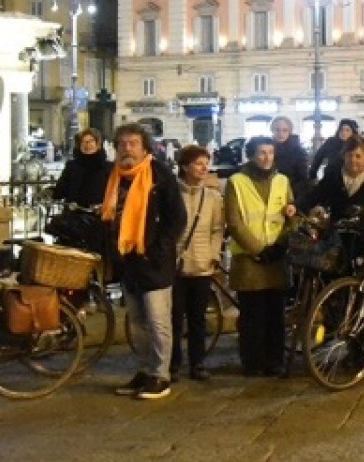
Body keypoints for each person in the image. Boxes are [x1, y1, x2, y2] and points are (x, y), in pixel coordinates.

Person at [101, 122, 189, 401]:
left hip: (154, 260)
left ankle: (161, 374)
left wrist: (160, 248)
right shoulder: (115, 177)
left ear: (144, 147)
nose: (128, 149)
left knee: (157, 319)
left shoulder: (158, 175)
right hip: (128, 260)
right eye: (123, 144)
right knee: (137, 320)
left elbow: (177, 218)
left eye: (133, 143)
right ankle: (145, 369)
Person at [224, 135, 296, 376]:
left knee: (275, 312)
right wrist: (257, 249)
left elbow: (290, 215)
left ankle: (275, 359)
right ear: (252, 155)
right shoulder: (237, 181)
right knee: (252, 313)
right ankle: (253, 361)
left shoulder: (282, 181)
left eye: (271, 153)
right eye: (262, 153)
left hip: (276, 256)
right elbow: (234, 222)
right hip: (249, 259)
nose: (267, 158)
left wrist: (281, 243)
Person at [171, 144, 226, 382]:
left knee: (198, 318)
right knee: (173, 317)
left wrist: (213, 255)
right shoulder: (172, 194)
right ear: (185, 166)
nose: (204, 168)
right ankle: (172, 363)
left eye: (206, 163)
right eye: (198, 163)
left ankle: (198, 363)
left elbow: (217, 229)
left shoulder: (212, 197)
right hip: (175, 264)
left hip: (202, 264)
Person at [306, 133, 364, 223]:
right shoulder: (333, 176)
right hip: (336, 230)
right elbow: (315, 195)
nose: (353, 160)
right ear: (344, 156)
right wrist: (296, 206)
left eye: (358, 156)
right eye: (349, 155)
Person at [53, 128, 111, 209]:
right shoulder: (71, 166)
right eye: (84, 142)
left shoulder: (108, 167)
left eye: (91, 141)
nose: (87, 144)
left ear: (98, 144)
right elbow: (60, 190)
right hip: (74, 215)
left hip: (99, 215)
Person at [268, 116, 312, 198]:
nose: (280, 134)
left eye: (285, 130)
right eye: (277, 130)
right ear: (272, 130)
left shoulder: (298, 152)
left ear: (290, 132)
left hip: (291, 193)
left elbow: (303, 178)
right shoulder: (266, 148)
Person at [310, 118, 359, 184]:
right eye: (342, 129)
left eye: (347, 130)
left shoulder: (357, 145)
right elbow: (318, 157)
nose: (344, 132)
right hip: (331, 179)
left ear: (353, 133)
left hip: (350, 180)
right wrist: (313, 175)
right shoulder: (331, 142)